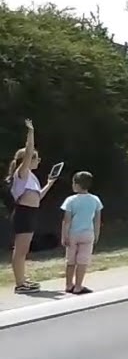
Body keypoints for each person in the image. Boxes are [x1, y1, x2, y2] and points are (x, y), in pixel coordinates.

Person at [7, 119, 58, 293]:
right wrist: (31, 132)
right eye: (36, 158)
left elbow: (37, 197)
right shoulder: (21, 173)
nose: (38, 160)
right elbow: (28, 152)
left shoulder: (32, 178)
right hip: (23, 213)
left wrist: (49, 184)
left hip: (30, 213)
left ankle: (23, 280)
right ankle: (20, 284)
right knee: (20, 250)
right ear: (27, 160)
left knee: (24, 250)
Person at [60, 171, 103, 295]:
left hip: (73, 234)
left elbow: (67, 220)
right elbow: (97, 219)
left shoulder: (70, 200)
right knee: (82, 261)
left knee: (70, 261)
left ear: (77, 185)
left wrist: (64, 235)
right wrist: (96, 234)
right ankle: (78, 286)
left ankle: (69, 284)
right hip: (88, 233)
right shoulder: (95, 200)